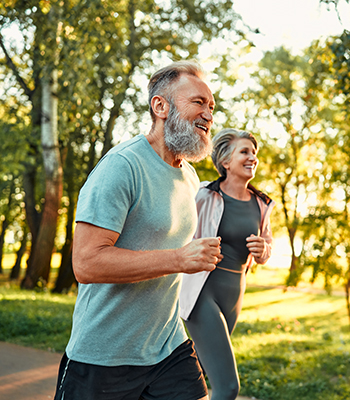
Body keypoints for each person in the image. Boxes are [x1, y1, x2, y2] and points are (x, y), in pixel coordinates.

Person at [54, 60, 222, 400]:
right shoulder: (122, 167)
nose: (208, 114)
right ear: (160, 106)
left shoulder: (188, 177)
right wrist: (177, 259)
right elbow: (86, 263)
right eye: (198, 103)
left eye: (212, 107)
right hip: (104, 355)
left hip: (167, 346)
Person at [180, 128, 275, 400]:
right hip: (202, 292)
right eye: (244, 152)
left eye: (254, 153)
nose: (252, 158)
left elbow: (267, 246)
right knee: (228, 387)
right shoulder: (202, 195)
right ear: (225, 161)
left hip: (234, 294)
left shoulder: (261, 204)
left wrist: (263, 249)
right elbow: (178, 233)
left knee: (196, 375)